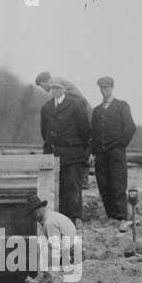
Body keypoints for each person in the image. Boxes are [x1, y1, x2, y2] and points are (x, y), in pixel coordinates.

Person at [40, 79, 91, 225]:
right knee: (58, 188)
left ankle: (75, 218)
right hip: (54, 154)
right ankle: (61, 219)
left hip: (72, 154)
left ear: (64, 89)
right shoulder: (46, 107)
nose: (55, 90)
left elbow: (84, 129)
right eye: (53, 88)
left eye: (58, 88)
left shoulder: (75, 105)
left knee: (73, 186)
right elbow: (44, 131)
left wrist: (78, 146)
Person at [90, 76, 136, 230]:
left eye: (107, 87)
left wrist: (120, 145)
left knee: (118, 184)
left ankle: (122, 218)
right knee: (104, 185)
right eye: (102, 88)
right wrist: (92, 152)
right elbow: (94, 133)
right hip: (100, 154)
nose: (104, 90)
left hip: (116, 153)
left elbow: (130, 127)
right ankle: (111, 217)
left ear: (112, 88)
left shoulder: (121, 106)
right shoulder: (97, 111)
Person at [27, 193, 78, 273]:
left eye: (31, 214)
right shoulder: (52, 217)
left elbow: (55, 248)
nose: (32, 218)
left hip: (72, 257)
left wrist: (50, 270)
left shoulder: (49, 223)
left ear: (36, 212)